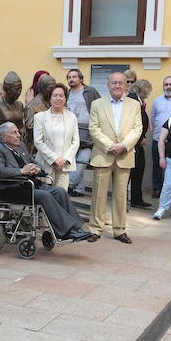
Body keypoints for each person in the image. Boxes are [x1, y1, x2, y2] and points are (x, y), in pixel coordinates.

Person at [0, 122, 93, 242]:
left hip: (30, 185)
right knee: (45, 196)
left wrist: (37, 168)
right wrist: (22, 171)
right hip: (11, 189)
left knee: (60, 191)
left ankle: (76, 228)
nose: (18, 135)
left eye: (18, 132)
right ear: (4, 137)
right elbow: (0, 171)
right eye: (14, 133)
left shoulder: (21, 146)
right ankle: (66, 231)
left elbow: (34, 162)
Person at [86, 71, 142, 243]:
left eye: (121, 83)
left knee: (120, 196)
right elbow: (94, 129)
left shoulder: (135, 105)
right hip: (103, 154)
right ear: (108, 85)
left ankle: (119, 230)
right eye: (114, 83)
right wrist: (110, 146)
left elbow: (137, 129)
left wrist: (123, 146)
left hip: (124, 155)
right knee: (99, 195)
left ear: (126, 85)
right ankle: (96, 228)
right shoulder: (97, 104)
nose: (117, 86)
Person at [34, 82, 79, 189]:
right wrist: (55, 159)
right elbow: (38, 142)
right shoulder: (40, 117)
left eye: (61, 96)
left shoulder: (71, 117)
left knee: (62, 195)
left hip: (64, 164)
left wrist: (65, 159)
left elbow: (75, 141)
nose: (58, 98)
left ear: (65, 99)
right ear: (50, 98)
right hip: (46, 163)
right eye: (55, 95)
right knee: (46, 197)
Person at [65, 67, 99, 194]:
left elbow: (99, 107)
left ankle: (70, 185)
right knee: (74, 160)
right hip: (71, 129)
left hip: (88, 130)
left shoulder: (90, 91)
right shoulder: (67, 93)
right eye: (69, 77)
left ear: (81, 79)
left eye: (74, 77)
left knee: (84, 159)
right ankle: (79, 189)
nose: (71, 79)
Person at [148, 77, 171, 195]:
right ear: (163, 86)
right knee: (157, 165)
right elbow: (153, 117)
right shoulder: (157, 101)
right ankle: (157, 189)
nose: (169, 87)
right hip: (158, 138)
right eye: (166, 84)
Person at [128, 79, 154, 209]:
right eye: (148, 90)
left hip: (138, 142)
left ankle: (136, 199)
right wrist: (139, 140)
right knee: (131, 173)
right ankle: (129, 200)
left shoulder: (138, 101)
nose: (149, 93)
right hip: (132, 143)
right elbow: (130, 124)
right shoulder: (132, 101)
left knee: (139, 170)